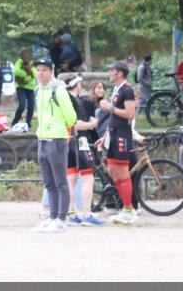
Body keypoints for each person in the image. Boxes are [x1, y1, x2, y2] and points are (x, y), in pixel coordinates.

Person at [30, 57, 76, 233]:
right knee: (49, 182)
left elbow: (71, 116)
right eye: (38, 70)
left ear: (51, 72)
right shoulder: (38, 90)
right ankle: (52, 217)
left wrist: (59, 127)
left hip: (56, 139)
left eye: (44, 70)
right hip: (42, 138)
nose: (40, 73)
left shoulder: (59, 90)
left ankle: (61, 219)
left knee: (60, 182)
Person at [96, 62, 138, 224]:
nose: (110, 73)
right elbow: (113, 118)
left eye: (112, 70)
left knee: (122, 171)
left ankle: (129, 209)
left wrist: (109, 107)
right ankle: (125, 208)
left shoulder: (127, 90)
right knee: (113, 170)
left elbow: (130, 113)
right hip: (113, 134)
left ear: (119, 73)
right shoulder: (116, 89)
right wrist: (106, 136)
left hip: (122, 135)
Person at [61, 75, 105, 226]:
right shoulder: (75, 101)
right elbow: (77, 124)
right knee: (88, 178)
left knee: (71, 179)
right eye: (79, 83)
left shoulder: (63, 99)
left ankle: (72, 214)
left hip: (67, 141)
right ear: (76, 85)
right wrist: (92, 124)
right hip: (80, 140)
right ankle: (86, 214)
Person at [12, 48, 36, 129]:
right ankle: (15, 121)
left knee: (31, 107)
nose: (26, 56)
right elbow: (16, 71)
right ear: (21, 56)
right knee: (22, 105)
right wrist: (27, 74)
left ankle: (28, 123)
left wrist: (26, 78)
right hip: (21, 87)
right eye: (24, 54)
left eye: (27, 54)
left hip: (30, 88)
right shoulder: (18, 62)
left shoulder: (32, 63)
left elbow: (34, 74)